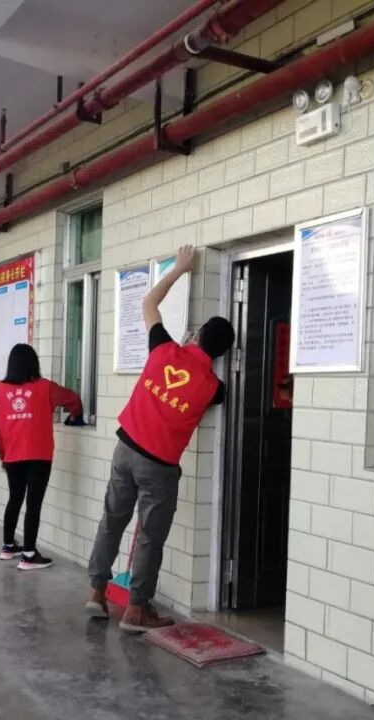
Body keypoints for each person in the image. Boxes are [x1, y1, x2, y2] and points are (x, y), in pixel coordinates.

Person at [86, 245, 234, 633]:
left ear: (196, 335)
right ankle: (136, 611)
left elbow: (149, 302)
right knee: (150, 537)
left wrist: (180, 269)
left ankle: (97, 591)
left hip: (125, 450)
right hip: (159, 466)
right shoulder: (213, 386)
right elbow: (217, 394)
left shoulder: (163, 348)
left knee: (112, 521)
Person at [0, 343, 84, 571]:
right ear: (33, 363)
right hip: (39, 456)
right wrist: (75, 416)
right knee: (33, 504)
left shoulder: (2, 390)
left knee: (15, 498)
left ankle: (8, 547)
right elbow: (73, 399)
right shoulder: (46, 387)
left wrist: (3, 455)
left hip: (12, 454)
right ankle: (29, 555)